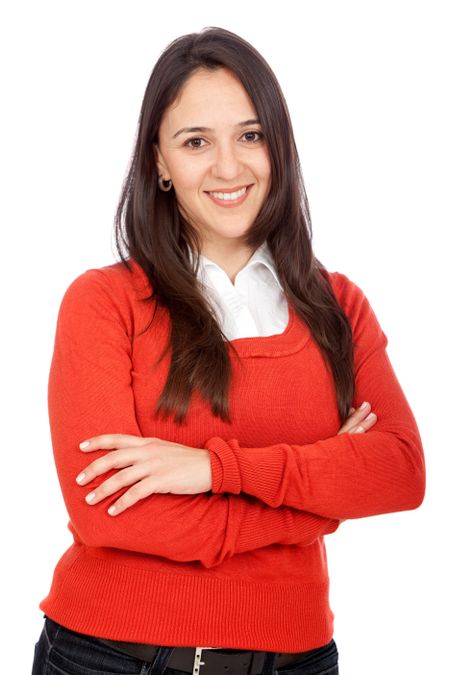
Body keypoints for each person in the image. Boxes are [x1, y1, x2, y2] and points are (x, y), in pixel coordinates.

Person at [31, 26, 426, 675]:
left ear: (280, 143)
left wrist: (213, 470)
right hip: (110, 656)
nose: (228, 166)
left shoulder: (338, 306)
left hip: (296, 658)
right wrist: (319, 498)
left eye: (250, 134)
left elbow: (399, 472)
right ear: (159, 161)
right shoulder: (105, 303)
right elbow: (108, 514)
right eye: (195, 142)